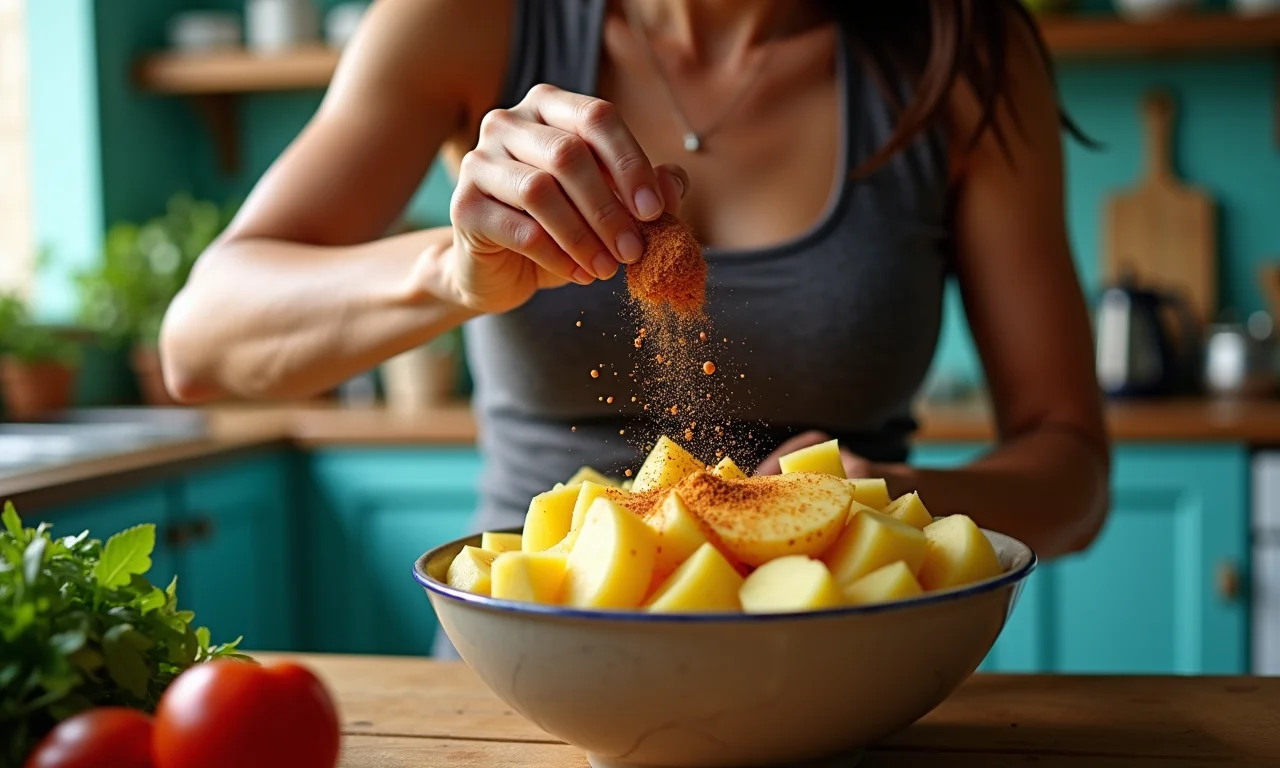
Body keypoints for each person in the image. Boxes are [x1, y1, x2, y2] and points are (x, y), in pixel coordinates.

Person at [162, 0, 1110, 566]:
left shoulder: (961, 53)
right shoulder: (475, 19)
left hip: (849, 669)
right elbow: (200, 345)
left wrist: (888, 499)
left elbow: (1073, 472)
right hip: (536, 672)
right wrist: (451, 275)